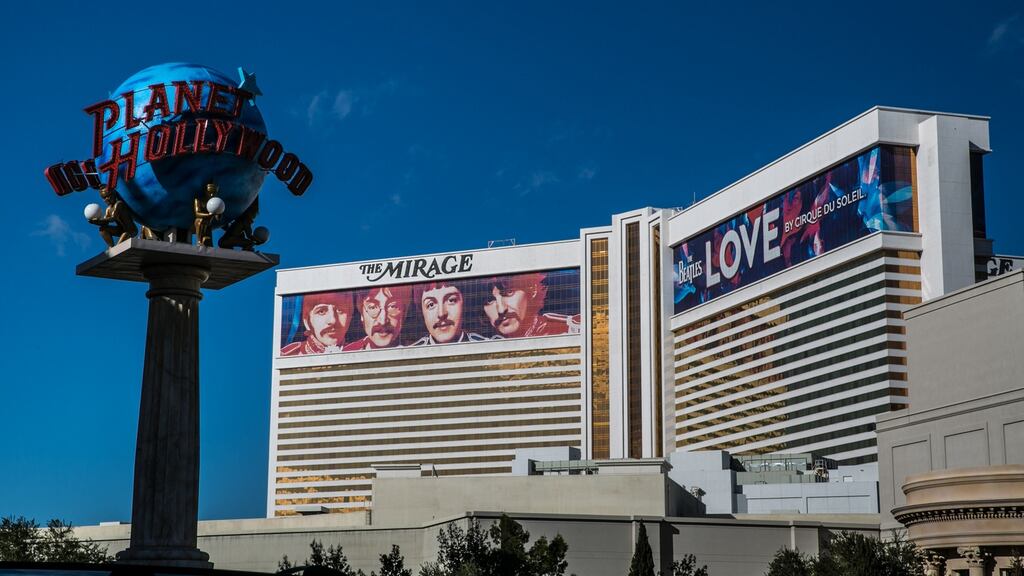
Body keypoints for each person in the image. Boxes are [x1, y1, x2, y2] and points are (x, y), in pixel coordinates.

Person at [483, 273, 580, 338]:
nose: (501, 309)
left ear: (533, 291)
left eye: (509, 292)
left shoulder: (567, 330)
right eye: (489, 300)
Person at [412, 281, 486, 345]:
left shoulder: (484, 346)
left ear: (464, 304)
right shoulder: (412, 353)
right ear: (422, 312)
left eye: (451, 300)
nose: (441, 313)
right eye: (431, 305)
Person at [280, 292, 353, 356]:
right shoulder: (288, 355)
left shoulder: (356, 350)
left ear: (349, 317)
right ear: (306, 321)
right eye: (321, 311)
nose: (332, 320)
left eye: (340, 310)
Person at [343, 285, 411, 351]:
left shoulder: (413, 350)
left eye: (393, 307)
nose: (382, 322)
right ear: (362, 314)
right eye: (372, 307)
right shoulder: (347, 353)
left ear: (404, 313)